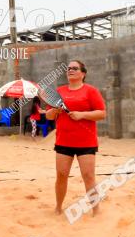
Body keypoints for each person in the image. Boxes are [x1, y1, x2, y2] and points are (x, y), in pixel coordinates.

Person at [45, 60, 106, 215]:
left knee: (88, 176)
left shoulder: (90, 91)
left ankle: (96, 211)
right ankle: (58, 207)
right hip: (64, 141)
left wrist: (82, 115)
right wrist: (55, 112)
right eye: (69, 68)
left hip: (86, 142)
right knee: (61, 175)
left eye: (75, 68)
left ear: (83, 73)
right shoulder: (59, 91)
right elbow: (49, 115)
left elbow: (101, 113)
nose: (70, 70)